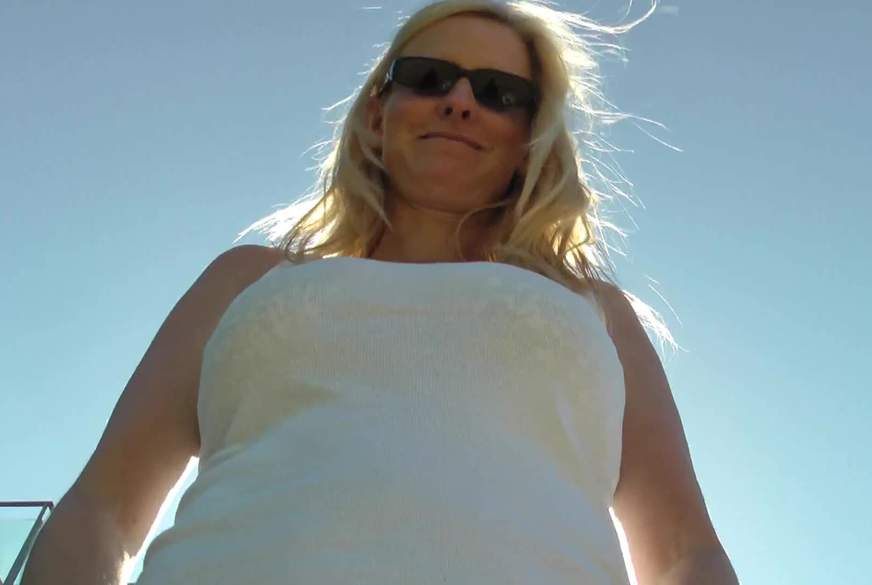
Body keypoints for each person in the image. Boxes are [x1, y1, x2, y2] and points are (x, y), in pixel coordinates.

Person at [23, 1, 740, 584]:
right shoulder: (249, 278)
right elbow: (102, 509)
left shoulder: (597, 310)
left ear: (531, 137)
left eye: (499, 93)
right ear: (377, 110)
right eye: (429, 77)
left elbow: (684, 552)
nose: (459, 101)